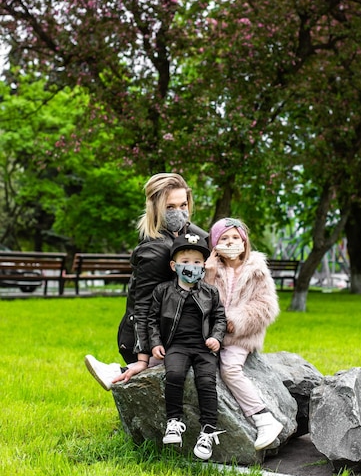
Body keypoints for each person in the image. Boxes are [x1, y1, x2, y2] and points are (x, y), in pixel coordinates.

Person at [85, 173, 208, 390]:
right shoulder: (155, 250)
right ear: (156, 208)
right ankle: (120, 370)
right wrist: (142, 356)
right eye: (170, 207)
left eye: (183, 204)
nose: (179, 212)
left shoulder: (182, 232)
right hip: (142, 338)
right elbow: (141, 306)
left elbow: (213, 239)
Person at [204, 217, 283, 451]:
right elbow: (199, 301)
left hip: (240, 336)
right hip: (211, 334)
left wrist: (236, 320)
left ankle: (264, 418)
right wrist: (208, 276)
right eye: (224, 238)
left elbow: (266, 306)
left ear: (244, 241)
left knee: (229, 369)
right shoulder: (210, 268)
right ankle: (127, 370)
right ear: (215, 244)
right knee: (182, 352)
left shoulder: (256, 269)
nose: (230, 242)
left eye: (235, 237)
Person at [148, 233, 226, 460]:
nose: (191, 266)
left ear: (204, 266)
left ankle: (208, 431)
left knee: (206, 381)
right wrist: (155, 343)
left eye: (197, 262)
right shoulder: (163, 291)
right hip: (177, 346)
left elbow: (220, 318)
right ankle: (173, 422)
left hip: (204, 347)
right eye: (185, 262)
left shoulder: (210, 292)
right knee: (174, 374)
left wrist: (216, 338)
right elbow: (151, 319)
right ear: (174, 265)